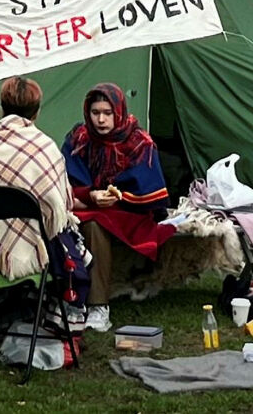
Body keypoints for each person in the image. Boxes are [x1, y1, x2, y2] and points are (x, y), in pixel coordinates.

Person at [0, 76, 88, 346]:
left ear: (2, 107)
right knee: (77, 253)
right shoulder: (44, 147)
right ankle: (55, 323)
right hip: (38, 254)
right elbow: (59, 207)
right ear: (37, 110)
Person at [62, 82, 173, 333]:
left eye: (107, 113)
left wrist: (117, 197)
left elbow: (150, 191)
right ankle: (69, 300)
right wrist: (89, 195)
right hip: (88, 205)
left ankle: (98, 306)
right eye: (95, 113)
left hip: (129, 213)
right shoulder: (79, 138)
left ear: (118, 112)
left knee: (93, 224)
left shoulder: (139, 143)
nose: (100, 119)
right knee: (65, 220)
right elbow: (64, 178)